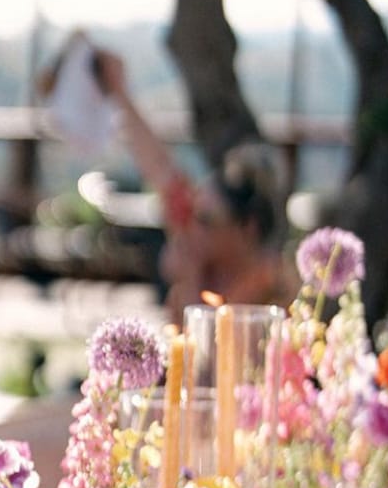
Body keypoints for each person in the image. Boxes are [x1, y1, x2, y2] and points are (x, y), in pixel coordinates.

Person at [93, 49, 298, 322]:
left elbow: (215, 349)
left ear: (248, 228)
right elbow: (159, 164)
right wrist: (117, 91)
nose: (192, 225)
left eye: (206, 220)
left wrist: (189, 279)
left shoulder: (273, 284)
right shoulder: (196, 242)